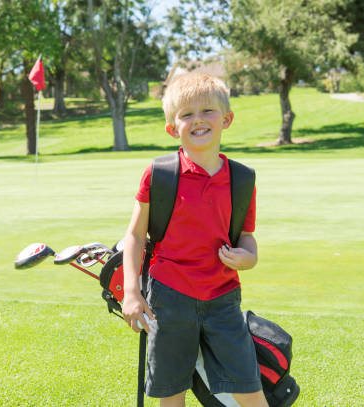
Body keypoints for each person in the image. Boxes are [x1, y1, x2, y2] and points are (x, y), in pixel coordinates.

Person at [122, 72, 268, 407]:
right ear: (173, 128)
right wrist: (131, 292)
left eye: (208, 111)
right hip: (168, 298)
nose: (198, 120)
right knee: (170, 392)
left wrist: (248, 258)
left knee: (249, 387)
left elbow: (247, 239)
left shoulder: (242, 179)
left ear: (226, 119)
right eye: (187, 114)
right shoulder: (159, 174)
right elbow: (134, 235)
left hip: (223, 298)